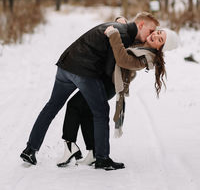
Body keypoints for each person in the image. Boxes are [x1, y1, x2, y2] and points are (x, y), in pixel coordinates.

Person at [20, 12, 159, 170]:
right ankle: (102, 158)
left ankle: (30, 150)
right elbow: (109, 66)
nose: (152, 34)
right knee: (100, 111)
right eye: (151, 31)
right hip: (84, 71)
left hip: (66, 65)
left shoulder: (120, 28)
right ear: (141, 25)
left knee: (51, 107)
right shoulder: (124, 36)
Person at [56, 25, 179, 167]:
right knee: (85, 111)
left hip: (109, 85)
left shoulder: (147, 58)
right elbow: (127, 31)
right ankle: (94, 153)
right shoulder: (141, 42)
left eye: (160, 39)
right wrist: (120, 21)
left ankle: (79, 150)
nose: (155, 36)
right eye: (158, 33)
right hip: (101, 79)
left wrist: (114, 34)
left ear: (160, 48)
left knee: (76, 105)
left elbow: (122, 59)